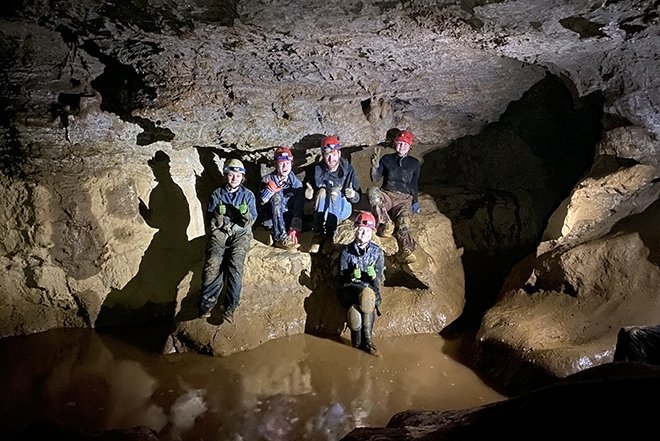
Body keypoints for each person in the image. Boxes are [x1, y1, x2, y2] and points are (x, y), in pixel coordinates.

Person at [199, 158, 258, 323]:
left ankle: (230, 307)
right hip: (221, 232)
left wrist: (245, 213)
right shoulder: (217, 194)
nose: (234, 178)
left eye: (238, 176)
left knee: (235, 265)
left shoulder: (248, 195)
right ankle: (207, 305)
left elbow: (250, 222)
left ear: (242, 177)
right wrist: (218, 214)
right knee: (213, 264)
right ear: (226, 175)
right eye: (231, 175)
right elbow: (211, 223)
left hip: (240, 233)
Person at [367, 129, 420, 264]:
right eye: (399, 143)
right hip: (387, 194)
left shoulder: (414, 163)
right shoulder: (387, 159)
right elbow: (375, 179)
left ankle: (406, 249)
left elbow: (414, 184)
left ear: (410, 146)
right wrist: (375, 167)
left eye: (405, 144)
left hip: (404, 199)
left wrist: (415, 201)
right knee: (373, 191)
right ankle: (385, 224)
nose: (401, 146)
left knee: (403, 223)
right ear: (394, 144)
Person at [337, 211, 385, 356]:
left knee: (357, 310)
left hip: (369, 292)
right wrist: (351, 275)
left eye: (367, 230)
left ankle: (367, 343)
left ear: (372, 233)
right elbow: (341, 279)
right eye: (361, 229)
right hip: (349, 290)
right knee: (366, 295)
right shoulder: (346, 251)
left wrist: (375, 276)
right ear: (356, 230)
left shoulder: (377, 252)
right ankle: (359, 346)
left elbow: (379, 281)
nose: (364, 233)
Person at [305, 135, 361, 253]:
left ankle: (330, 235)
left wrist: (353, 195)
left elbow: (357, 198)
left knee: (335, 192)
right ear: (323, 155)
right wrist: (309, 194)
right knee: (321, 192)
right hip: (324, 210)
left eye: (334, 154)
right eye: (327, 155)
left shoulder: (347, 170)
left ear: (339, 154)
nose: (331, 159)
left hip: (342, 209)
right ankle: (318, 234)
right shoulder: (317, 170)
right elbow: (311, 193)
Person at [259, 146, 304, 250]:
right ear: (275, 164)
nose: (285, 166)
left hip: (287, 219)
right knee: (276, 195)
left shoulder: (296, 184)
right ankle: (280, 238)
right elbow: (259, 207)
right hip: (270, 219)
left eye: (288, 163)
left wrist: (295, 227)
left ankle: (275, 235)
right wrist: (267, 194)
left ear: (291, 164)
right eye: (281, 163)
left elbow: (299, 208)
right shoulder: (266, 180)